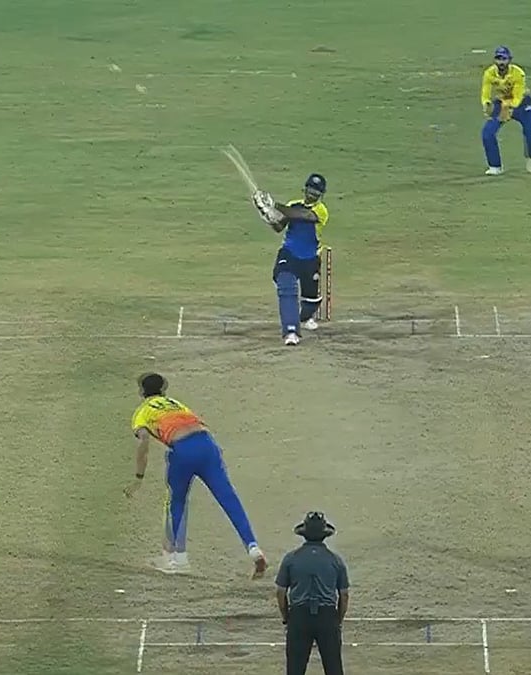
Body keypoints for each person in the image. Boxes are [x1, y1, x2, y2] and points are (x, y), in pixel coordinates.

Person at [124, 372, 267, 578]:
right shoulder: (175, 403)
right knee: (229, 498)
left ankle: (175, 559)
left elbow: (143, 442)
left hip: (182, 450)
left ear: (141, 391)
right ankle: (253, 548)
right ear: (163, 390)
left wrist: (139, 477)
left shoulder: (143, 412)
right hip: (208, 444)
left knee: (176, 502)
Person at [276, 512, 350, 675]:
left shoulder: (291, 559)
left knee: (295, 668)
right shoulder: (335, 560)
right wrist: (337, 619)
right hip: (327, 616)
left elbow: (281, 592)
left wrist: (287, 617)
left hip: (299, 616)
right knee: (334, 668)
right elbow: (344, 595)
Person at [268, 174, 330, 346]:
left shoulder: (320, 211)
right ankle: (291, 331)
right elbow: (279, 227)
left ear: (321, 195)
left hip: (310, 259)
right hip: (289, 255)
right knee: (286, 288)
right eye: (310, 189)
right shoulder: (292, 205)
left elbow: (303, 216)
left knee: (310, 301)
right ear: (305, 189)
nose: (312, 194)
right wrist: (268, 216)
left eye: (316, 192)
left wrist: (275, 205)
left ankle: (305, 316)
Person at [480, 45, 531, 176]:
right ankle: (495, 166)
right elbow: (485, 92)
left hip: (521, 103)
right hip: (501, 102)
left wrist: (509, 108)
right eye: (498, 59)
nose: (501, 62)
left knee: (529, 129)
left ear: (509, 60)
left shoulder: (518, 73)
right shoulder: (489, 73)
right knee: (487, 132)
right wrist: (486, 104)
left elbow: (518, 95)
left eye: (504, 59)